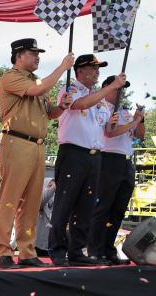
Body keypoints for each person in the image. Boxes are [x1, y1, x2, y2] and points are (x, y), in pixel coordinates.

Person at [0, 38, 74, 269]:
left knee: (30, 203)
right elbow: (38, 89)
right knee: (10, 200)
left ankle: (27, 251)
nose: (37, 56)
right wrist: (62, 67)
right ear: (19, 55)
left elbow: (50, 114)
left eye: (38, 53)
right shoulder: (12, 77)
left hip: (37, 145)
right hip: (17, 141)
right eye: (33, 53)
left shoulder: (35, 80)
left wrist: (63, 107)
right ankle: (3, 253)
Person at [47, 54, 120, 266]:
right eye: (93, 68)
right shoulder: (70, 89)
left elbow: (107, 130)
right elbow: (79, 105)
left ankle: (77, 250)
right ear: (80, 70)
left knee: (85, 206)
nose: (97, 72)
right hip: (73, 153)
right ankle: (57, 249)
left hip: (95, 156)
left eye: (99, 69)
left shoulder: (101, 102)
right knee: (64, 203)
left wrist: (113, 123)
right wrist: (110, 87)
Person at [92, 78, 145, 263]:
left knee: (118, 210)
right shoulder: (101, 107)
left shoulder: (124, 112)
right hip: (108, 159)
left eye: (123, 90)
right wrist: (134, 122)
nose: (121, 93)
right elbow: (110, 132)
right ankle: (95, 250)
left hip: (126, 161)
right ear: (108, 88)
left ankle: (108, 249)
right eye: (118, 89)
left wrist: (140, 118)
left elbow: (140, 134)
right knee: (103, 207)